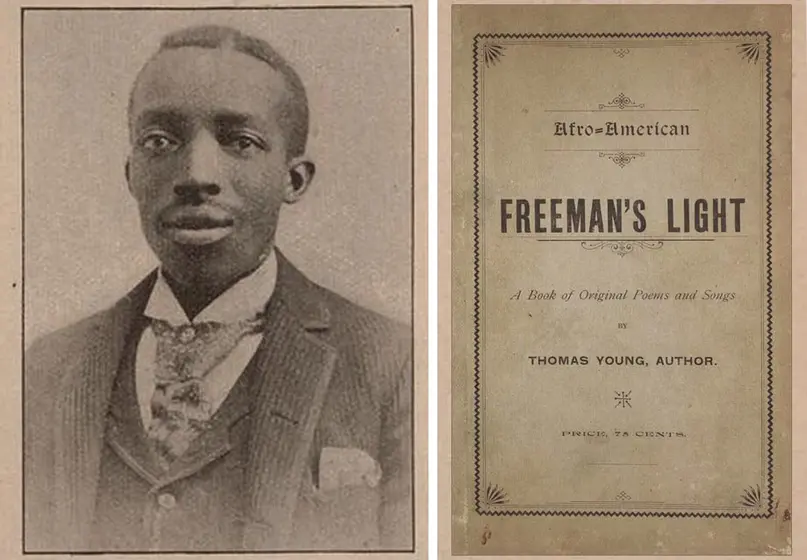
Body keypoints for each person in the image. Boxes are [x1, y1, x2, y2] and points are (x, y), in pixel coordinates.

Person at [24, 24, 412, 553]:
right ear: (131, 172)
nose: (196, 175)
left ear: (292, 179)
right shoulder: (46, 371)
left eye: (240, 142)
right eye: (159, 141)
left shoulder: (394, 362)